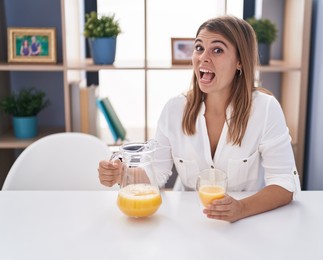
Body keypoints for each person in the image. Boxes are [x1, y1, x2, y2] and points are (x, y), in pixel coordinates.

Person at [98, 15, 300, 223]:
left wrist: (241, 208)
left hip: (248, 224)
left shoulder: (265, 109)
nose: (203, 57)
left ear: (240, 61)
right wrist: (122, 174)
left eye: (217, 50)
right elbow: (155, 174)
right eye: (199, 48)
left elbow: (284, 184)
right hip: (190, 222)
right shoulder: (174, 109)